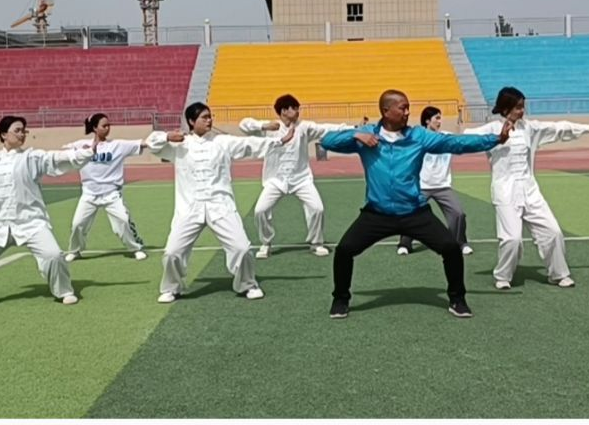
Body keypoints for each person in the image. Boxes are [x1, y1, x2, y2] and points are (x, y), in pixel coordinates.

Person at [319, 89, 510, 319]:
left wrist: (495, 139)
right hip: (377, 214)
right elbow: (327, 141)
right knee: (344, 251)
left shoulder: (418, 136)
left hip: (414, 213)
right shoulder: (367, 136)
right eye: (403, 108)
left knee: (451, 248)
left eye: (408, 107)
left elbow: (454, 143)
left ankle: (457, 299)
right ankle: (340, 300)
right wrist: (356, 135)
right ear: (386, 111)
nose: (408, 112)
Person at [145, 102, 296, 303]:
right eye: (204, 117)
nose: (209, 120)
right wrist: (166, 136)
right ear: (191, 121)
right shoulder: (179, 145)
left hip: (221, 205)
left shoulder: (222, 141)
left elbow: (249, 144)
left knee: (242, 248)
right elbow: (151, 143)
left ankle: (247, 284)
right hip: (189, 208)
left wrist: (279, 141)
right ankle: (172, 288)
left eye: (210, 116)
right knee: (172, 252)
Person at [464, 87, 589, 290]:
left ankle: (558, 274)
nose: (522, 111)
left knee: (553, 232)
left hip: (530, 189)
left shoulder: (529, 128)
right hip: (505, 191)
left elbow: (558, 128)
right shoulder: (491, 129)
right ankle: (503, 276)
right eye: (518, 107)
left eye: (523, 106)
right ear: (506, 108)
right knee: (512, 239)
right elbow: (465, 138)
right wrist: (434, 136)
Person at [0, 116, 96, 308]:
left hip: (30, 222)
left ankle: (64, 291)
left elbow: (56, 158)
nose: (22, 134)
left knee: (53, 255)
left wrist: (87, 152)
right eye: (17, 130)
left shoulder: (31, 157)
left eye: (24, 131)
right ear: (3, 134)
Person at [239, 94, 351, 259]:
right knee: (260, 210)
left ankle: (316, 243)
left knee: (317, 208)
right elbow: (243, 124)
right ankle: (266, 243)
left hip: (301, 179)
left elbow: (326, 128)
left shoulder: (304, 127)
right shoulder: (271, 128)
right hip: (275, 180)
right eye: (294, 108)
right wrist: (264, 125)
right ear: (284, 111)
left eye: (298, 108)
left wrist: (352, 128)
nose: (297, 111)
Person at [64, 113, 147, 263]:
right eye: (104, 126)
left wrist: (165, 139)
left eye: (109, 125)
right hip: (89, 195)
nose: (108, 128)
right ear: (95, 128)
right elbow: (63, 152)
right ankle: (75, 251)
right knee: (77, 224)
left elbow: (142, 143)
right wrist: (78, 151)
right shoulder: (81, 145)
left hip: (112, 195)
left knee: (123, 221)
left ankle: (136, 248)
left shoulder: (117, 145)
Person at [395, 106, 474, 257]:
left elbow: (464, 141)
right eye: (436, 118)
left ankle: (459, 243)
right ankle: (404, 244)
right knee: (410, 212)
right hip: (421, 186)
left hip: (443, 186)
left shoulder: (446, 137)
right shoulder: (418, 139)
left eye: (440, 118)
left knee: (458, 214)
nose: (439, 121)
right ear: (427, 121)